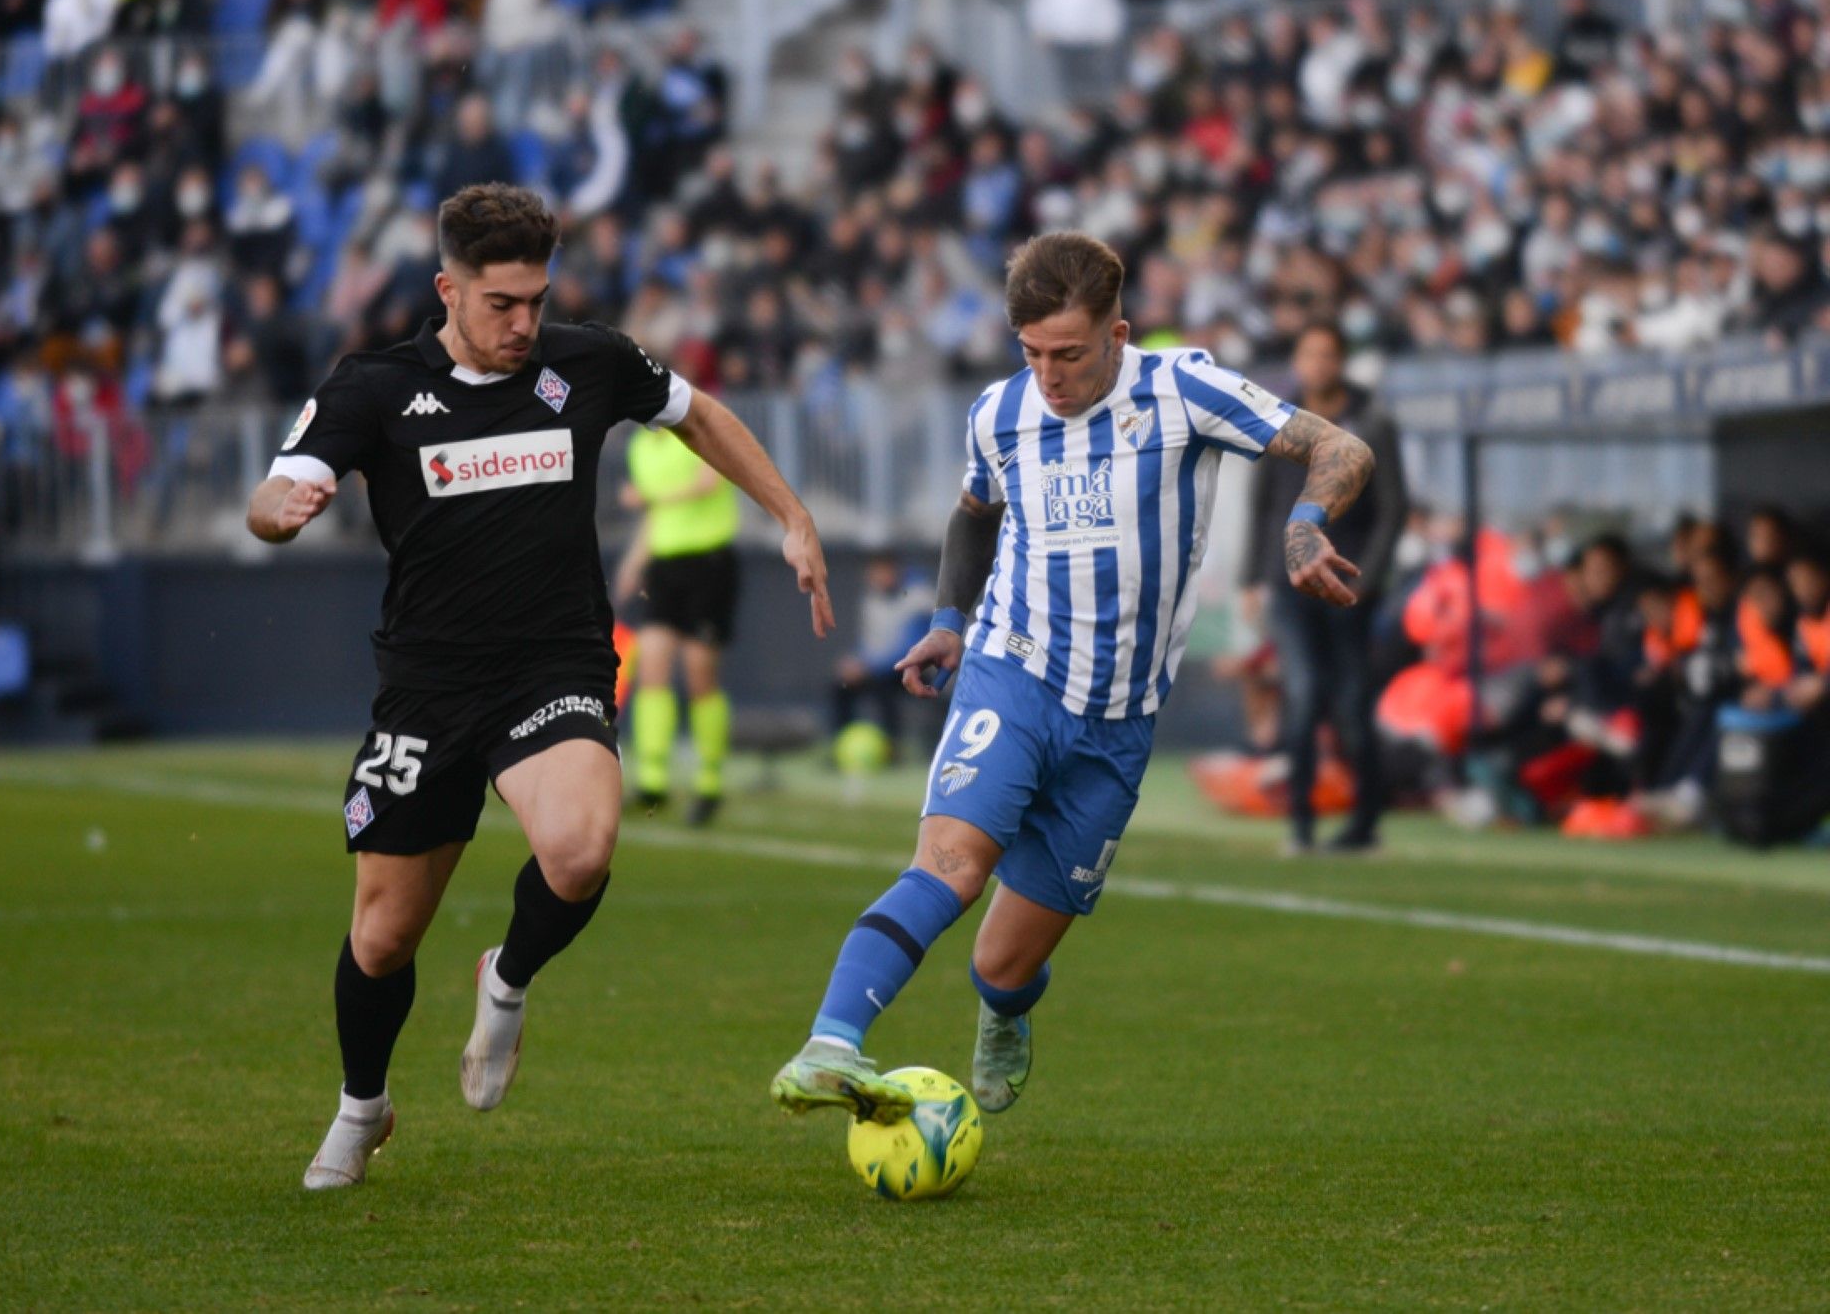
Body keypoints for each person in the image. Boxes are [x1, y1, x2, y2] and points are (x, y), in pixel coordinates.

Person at [246, 183, 834, 1189]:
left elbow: (699, 416)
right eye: (500, 304)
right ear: (448, 289)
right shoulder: (372, 388)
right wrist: (281, 511)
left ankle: (506, 981)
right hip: (427, 687)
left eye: (535, 300)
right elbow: (272, 490)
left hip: (551, 665)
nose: (523, 323)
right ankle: (362, 1107)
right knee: (383, 937)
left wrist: (789, 514)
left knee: (579, 849)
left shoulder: (587, 360)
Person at [768, 232, 1373, 1122]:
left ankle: (1004, 1011)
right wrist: (947, 623)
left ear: (1119, 335)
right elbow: (974, 514)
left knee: (1003, 965)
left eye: (1071, 354)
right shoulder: (1000, 413)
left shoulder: (1182, 387)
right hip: (1011, 674)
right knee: (950, 864)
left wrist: (1306, 522)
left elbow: (1340, 445)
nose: (1050, 375)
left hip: (1120, 721)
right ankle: (829, 1044)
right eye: (1033, 353)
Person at [1242, 321, 1406, 853]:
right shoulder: (1280, 421)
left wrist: (1374, 576)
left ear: (1341, 360)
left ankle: (1364, 825)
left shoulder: (1372, 421)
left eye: (1327, 354)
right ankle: (1301, 825)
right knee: (1305, 694)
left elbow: (1393, 508)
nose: (1317, 364)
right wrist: (1252, 576)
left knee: (1354, 707)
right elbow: (1263, 505)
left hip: (1348, 581)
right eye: (1308, 354)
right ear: (1297, 360)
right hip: (1289, 583)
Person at [612, 422, 740, 825]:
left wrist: (651, 496)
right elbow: (654, 516)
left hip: (708, 562)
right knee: (650, 664)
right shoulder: (640, 448)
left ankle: (709, 782)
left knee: (699, 673)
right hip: (665, 567)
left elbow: (708, 481)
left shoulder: (696, 431)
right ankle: (653, 780)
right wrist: (634, 563)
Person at [828, 553, 931, 756]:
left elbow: (912, 647)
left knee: (884, 686)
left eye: (881, 572)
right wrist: (855, 662)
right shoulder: (872, 598)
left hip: (916, 669)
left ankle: (892, 748)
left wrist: (868, 667)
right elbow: (870, 642)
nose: (875, 578)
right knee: (841, 686)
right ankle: (839, 746)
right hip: (878, 668)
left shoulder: (918, 597)